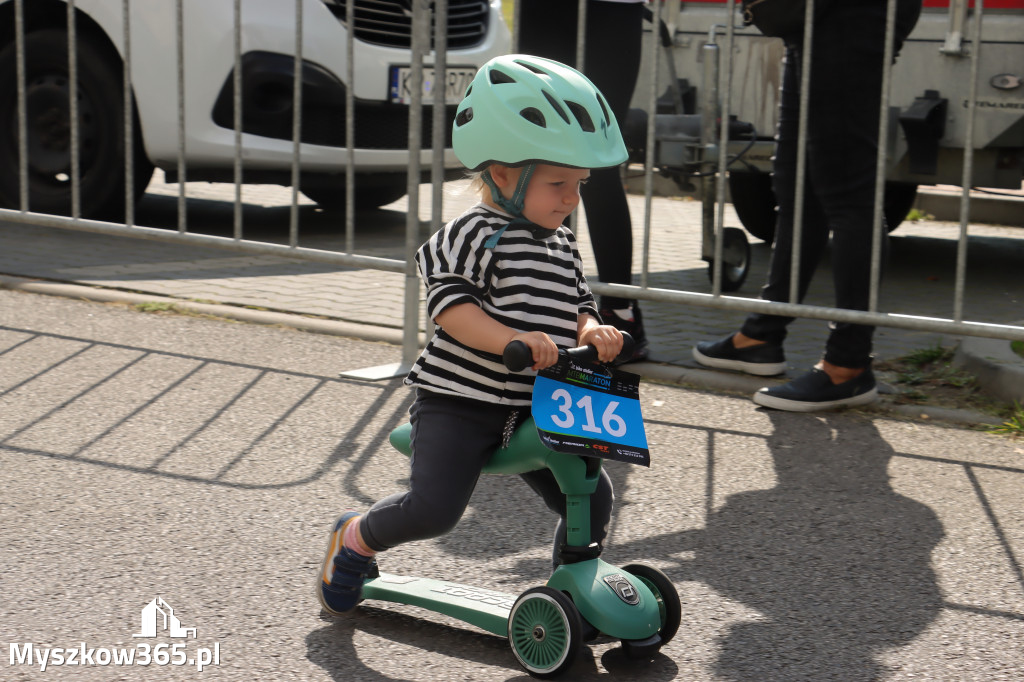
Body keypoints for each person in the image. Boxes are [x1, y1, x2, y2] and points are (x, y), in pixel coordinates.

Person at [318, 55, 628, 614]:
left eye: (578, 184)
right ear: (502, 174)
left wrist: (594, 328)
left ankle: (570, 588)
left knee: (591, 492)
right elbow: (452, 310)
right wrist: (513, 337)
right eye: (558, 183)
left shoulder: (560, 244)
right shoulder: (470, 235)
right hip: (460, 402)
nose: (571, 199)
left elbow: (577, 305)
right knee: (435, 511)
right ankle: (355, 537)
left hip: (536, 404)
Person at [693, 0, 923, 412]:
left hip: (852, 19)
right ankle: (764, 333)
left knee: (847, 191)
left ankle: (847, 366)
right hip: (812, 21)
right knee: (798, 184)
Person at [518, 0, 649, 362]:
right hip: (546, 9)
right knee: (545, 156)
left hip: (614, 8)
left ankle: (620, 313)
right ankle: (547, 304)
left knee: (598, 158)